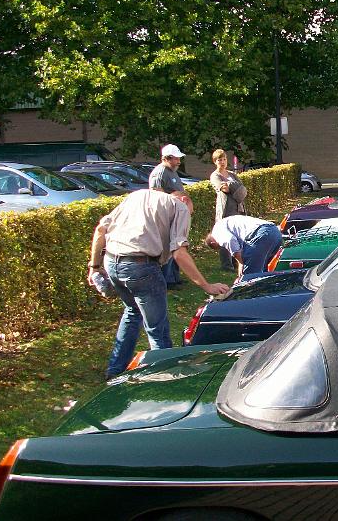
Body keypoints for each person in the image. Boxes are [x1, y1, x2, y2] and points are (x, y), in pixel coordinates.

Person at [87, 190, 229, 379]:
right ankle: (165, 376)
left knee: (132, 312)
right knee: (157, 328)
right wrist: (206, 286)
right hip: (141, 267)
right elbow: (179, 253)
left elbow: (100, 230)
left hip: (112, 262)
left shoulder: (137, 196)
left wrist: (94, 267)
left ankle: (114, 370)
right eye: (191, 212)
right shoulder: (180, 207)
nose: (189, 217)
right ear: (184, 200)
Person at [149, 144, 186, 288]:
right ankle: (167, 280)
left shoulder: (171, 171)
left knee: (177, 245)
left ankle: (175, 277)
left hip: (175, 215)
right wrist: (173, 196)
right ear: (167, 158)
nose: (179, 162)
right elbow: (156, 195)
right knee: (168, 247)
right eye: (176, 159)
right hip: (165, 217)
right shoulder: (160, 173)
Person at [205, 215, 283, 280]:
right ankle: (266, 294)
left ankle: (251, 297)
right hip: (274, 231)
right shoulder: (224, 222)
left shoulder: (217, 232)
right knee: (264, 272)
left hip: (261, 235)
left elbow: (230, 240)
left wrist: (241, 262)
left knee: (250, 277)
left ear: (212, 242)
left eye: (218, 247)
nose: (222, 247)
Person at [210, 149, 248, 271]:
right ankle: (226, 265)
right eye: (219, 160)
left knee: (237, 235)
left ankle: (236, 261)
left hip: (238, 207)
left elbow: (243, 190)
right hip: (226, 209)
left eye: (224, 159)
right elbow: (224, 189)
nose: (222, 162)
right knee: (225, 236)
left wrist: (231, 186)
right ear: (215, 162)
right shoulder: (215, 175)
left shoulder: (232, 174)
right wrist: (234, 187)